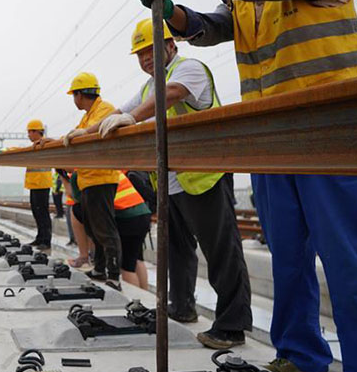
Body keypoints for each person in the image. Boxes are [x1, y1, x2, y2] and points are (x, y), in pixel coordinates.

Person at [135, 0, 357, 372]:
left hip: (332, 138)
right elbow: (205, 27)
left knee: (348, 263)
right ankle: (303, 359)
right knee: (289, 258)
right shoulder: (242, 4)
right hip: (273, 146)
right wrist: (166, 6)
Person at [100, 18, 252, 349]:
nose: (145, 58)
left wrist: (132, 118)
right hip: (171, 183)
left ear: (171, 45)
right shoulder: (146, 88)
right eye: (140, 53)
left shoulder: (189, 69)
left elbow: (171, 95)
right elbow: (120, 111)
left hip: (204, 175)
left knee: (221, 251)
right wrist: (82, 132)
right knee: (177, 251)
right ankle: (181, 307)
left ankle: (232, 325)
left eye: (151, 49)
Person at [54, 73, 122, 291]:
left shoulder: (104, 109)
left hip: (101, 178)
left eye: (74, 95)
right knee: (93, 228)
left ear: (80, 95)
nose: (74, 100)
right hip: (88, 180)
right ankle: (100, 268)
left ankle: (113, 275)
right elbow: (75, 135)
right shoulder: (88, 116)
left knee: (105, 228)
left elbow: (86, 134)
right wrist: (54, 142)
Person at [113, 172, 151, 290]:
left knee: (127, 266)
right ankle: (146, 296)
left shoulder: (97, 175)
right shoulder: (117, 173)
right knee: (137, 258)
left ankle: (138, 302)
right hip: (142, 214)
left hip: (127, 218)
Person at [24, 119, 53, 251]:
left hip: (42, 183)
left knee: (43, 213)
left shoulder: (45, 143)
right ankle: (40, 237)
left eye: (29, 132)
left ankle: (46, 241)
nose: (28, 135)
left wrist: (48, 140)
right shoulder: (34, 145)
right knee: (36, 212)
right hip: (34, 184)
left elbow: (56, 143)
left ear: (36, 132)